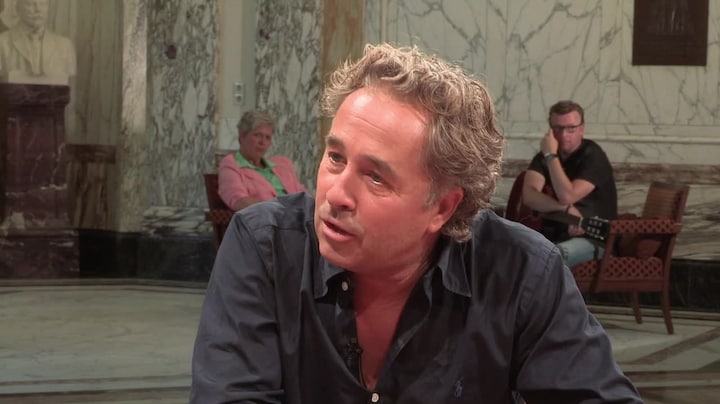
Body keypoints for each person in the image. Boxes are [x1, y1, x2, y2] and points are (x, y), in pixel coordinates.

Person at [191, 44, 642, 403]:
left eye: (375, 177)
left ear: (442, 208)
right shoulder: (264, 247)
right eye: (335, 158)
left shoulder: (521, 270)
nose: (336, 194)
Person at [521, 100, 618, 267]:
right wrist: (565, 209)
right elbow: (529, 196)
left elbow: (567, 196)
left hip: (594, 239)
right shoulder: (544, 155)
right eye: (558, 129)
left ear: (582, 129)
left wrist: (551, 156)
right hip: (555, 235)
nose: (564, 135)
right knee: (518, 252)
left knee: (554, 256)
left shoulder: (593, 155)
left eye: (571, 129)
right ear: (550, 130)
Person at [218, 110, 308, 211]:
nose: (262, 142)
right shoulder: (231, 164)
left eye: (267, 137)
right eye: (257, 135)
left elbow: (304, 196)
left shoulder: (283, 164)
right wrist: (283, 210)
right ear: (242, 135)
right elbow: (240, 202)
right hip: (268, 218)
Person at [0, 0, 76, 83]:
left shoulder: (65, 46)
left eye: (43, 4)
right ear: (17, 8)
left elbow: (70, 87)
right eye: (30, 4)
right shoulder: (2, 42)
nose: (38, 9)